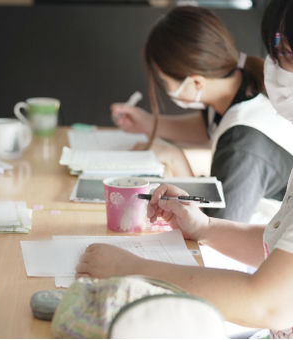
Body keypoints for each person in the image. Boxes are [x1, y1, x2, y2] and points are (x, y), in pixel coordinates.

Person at [77, 1, 293, 336]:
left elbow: (268, 304)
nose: (274, 66)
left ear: (195, 82)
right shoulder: (236, 101)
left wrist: (132, 268)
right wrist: (204, 227)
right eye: (276, 52)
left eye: (286, 56)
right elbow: (278, 242)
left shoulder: (247, 142)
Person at [111, 6, 293, 222]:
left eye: (165, 82)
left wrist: (178, 161)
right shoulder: (237, 84)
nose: (165, 88)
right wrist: (147, 123)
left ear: (196, 82)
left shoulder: (243, 146)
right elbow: (210, 126)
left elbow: (217, 227)